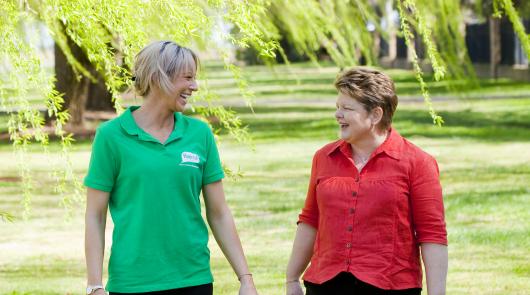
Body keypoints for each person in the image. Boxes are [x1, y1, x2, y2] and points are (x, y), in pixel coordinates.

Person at [84, 41, 258, 295]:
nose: (194, 86)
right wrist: (95, 285)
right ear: (158, 77)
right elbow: (95, 215)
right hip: (133, 283)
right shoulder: (111, 136)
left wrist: (246, 278)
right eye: (187, 78)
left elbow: (219, 213)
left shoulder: (199, 134)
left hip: (193, 280)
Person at [286, 68, 448, 295]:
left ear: (375, 115)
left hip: (390, 286)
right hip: (324, 285)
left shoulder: (418, 163)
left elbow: (432, 234)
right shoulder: (323, 158)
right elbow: (310, 220)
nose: (338, 114)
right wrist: (292, 278)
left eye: (347, 108)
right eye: (337, 107)